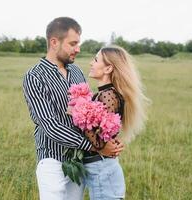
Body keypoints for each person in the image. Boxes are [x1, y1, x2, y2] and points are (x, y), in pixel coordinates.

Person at [22, 17, 123, 200]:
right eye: (73, 43)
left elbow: (92, 115)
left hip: (78, 159)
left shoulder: (76, 72)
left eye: (78, 43)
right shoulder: (34, 76)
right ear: (54, 42)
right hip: (52, 158)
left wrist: (110, 140)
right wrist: (96, 147)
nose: (78, 49)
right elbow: (50, 126)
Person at [82, 45, 149, 200]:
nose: (91, 63)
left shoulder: (108, 96)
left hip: (102, 170)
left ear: (108, 69)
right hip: (102, 169)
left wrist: (78, 113)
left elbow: (99, 143)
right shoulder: (105, 94)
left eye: (96, 59)